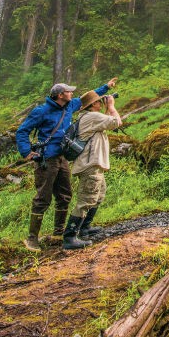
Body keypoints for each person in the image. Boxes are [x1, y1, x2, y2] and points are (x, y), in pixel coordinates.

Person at [16, 77, 117, 251]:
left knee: (65, 196)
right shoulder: (42, 111)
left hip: (62, 158)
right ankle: (32, 238)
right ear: (60, 95)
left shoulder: (70, 105)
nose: (72, 93)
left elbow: (89, 98)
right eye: (69, 91)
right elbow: (22, 131)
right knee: (43, 198)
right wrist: (26, 152)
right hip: (46, 159)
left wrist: (106, 87)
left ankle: (58, 233)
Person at [63, 90, 122, 250]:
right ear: (93, 104)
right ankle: (70, 237)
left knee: (99, 195)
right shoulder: (92, 117)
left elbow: (104, 123)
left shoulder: (89, 117)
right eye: (99, 101)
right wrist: (111, 106)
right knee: (86, 200)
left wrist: (106, 108)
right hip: (90, 166)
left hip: (93, 165)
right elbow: (116, 122)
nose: (101, 103)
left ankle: (85, 227)